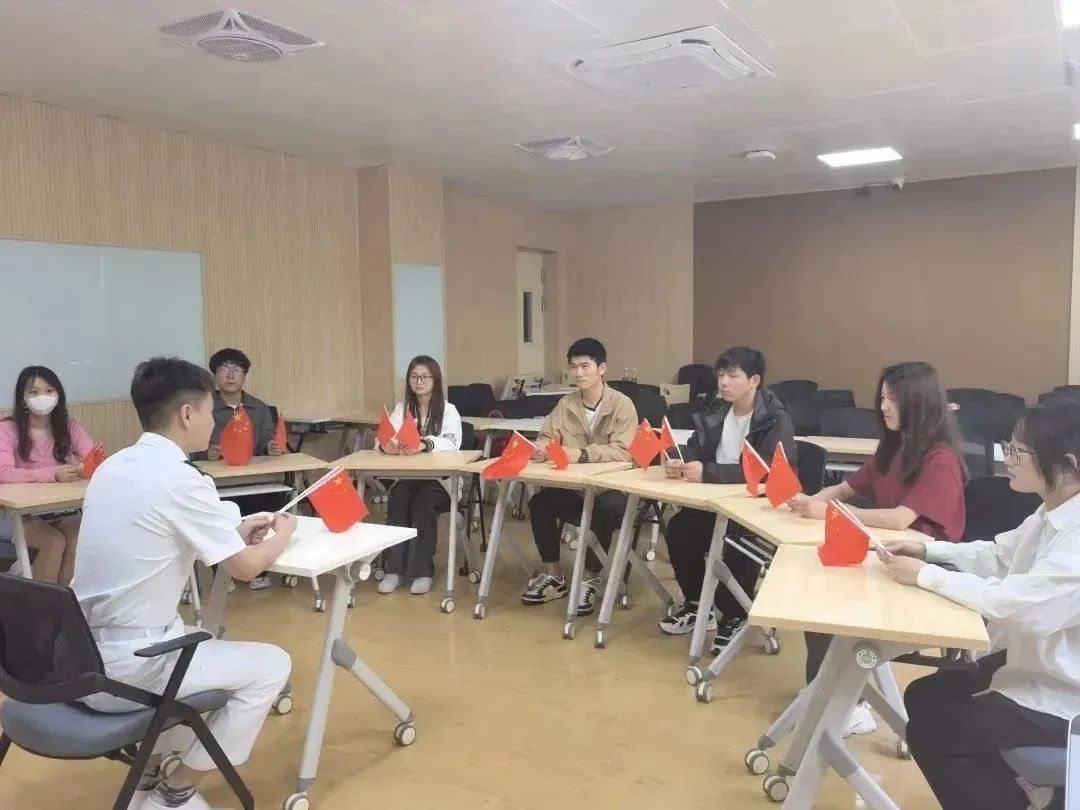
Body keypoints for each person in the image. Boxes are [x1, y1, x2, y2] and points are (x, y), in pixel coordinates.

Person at [73, 356, 295, 810]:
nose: (215, 421)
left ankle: (149, 771)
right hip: (131, 669)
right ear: (188, 414)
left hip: (78, 659)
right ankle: (176, 792)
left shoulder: (113, 467)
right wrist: (283, 535)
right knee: (272, 666)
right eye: (211, 410)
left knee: (203, 640)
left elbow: (156, 537)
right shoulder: (181, 479)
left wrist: (232, 532)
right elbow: (246, 569)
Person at [880, 400, 1080, 810]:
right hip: (1037, 664)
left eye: (1018, 452)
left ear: (1068, 465)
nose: (1007, 460)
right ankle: (1031, 793)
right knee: (925, 696)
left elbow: (1016, 606)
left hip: (1064, 697)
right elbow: (998, 555)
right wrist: (929, 551)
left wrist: (925, 575)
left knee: (938, 730)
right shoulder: (1052, 512)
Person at [790, 360, 966, 736]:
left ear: (918, 403)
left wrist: (836, 512)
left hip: (924, 575)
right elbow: (843, 489)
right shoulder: (893, 448)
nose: (884, 407)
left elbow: (901, 519)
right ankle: (827, 695)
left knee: (831, 608)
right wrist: (809, 501)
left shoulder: (940, 459)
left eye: (893, 399)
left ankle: (846, 705)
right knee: (817, 601)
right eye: (883, 397)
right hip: (887, 560)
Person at [658, 347, 795, 653]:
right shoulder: (717, 411)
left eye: (733, 375)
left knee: (737, 539)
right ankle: (697, 605)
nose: (723, 382)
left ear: (754, 380)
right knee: (680, 528)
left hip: (756, 509)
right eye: (721, 374)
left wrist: (708, 472)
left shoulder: (774, 419)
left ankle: (735, 615)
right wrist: (681, 460)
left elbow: (766, 472)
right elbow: (695, 446)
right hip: (716, 502)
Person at [520, 338, 638, 615]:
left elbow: (624, 452)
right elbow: (547, 435)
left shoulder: (622, 405)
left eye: (585, 366)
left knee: (603, 509)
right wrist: (541, 447)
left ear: (602, 369)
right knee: (540, 504)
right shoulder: (566, 404)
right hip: (575, 488)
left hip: (612, 489)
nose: (578, 373)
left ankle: (590, 579)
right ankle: (554, 577)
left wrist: (582, 454)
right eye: (574, 367)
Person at [0, 365, 96, 584]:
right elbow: (3, 474)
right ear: (22, 398)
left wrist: (85, 468)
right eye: (33, 392)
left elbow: (96, 461)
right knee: (53, 542)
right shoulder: (7, 429)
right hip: (19, 516)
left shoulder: (70, 428)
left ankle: (65, 601)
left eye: (49, 390)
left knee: (76, 536)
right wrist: (53, 473)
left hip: (61, 510)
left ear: (58, 394)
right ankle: (42, 605)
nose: (42, 397)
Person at [377, 355, 462, 596]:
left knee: (423, 504)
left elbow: (452, 442)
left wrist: (424, 444)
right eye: (414, 376)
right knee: (398, 499)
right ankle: (394, 570)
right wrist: (386, 446)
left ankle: (422, 572)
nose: (419, 381)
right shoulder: (402, 409)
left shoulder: (449, 411)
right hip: (407, 478)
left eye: (425, 377)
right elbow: (384, 437)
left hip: (440, 482)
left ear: (435, 380)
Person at [200, 348, 284, 590]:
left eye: (236, 369)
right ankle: (223, 572)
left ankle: (259, 567)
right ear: (215, 375)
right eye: (224, 369)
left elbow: (268, 441)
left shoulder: (259, 408)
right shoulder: (203, 408)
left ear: (244, 375)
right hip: (219, 481)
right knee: (219, 516)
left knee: (269, 505)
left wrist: (272, 448)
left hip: (256, 480)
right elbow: (190, 448)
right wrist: (206, 454)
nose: (230, 375)